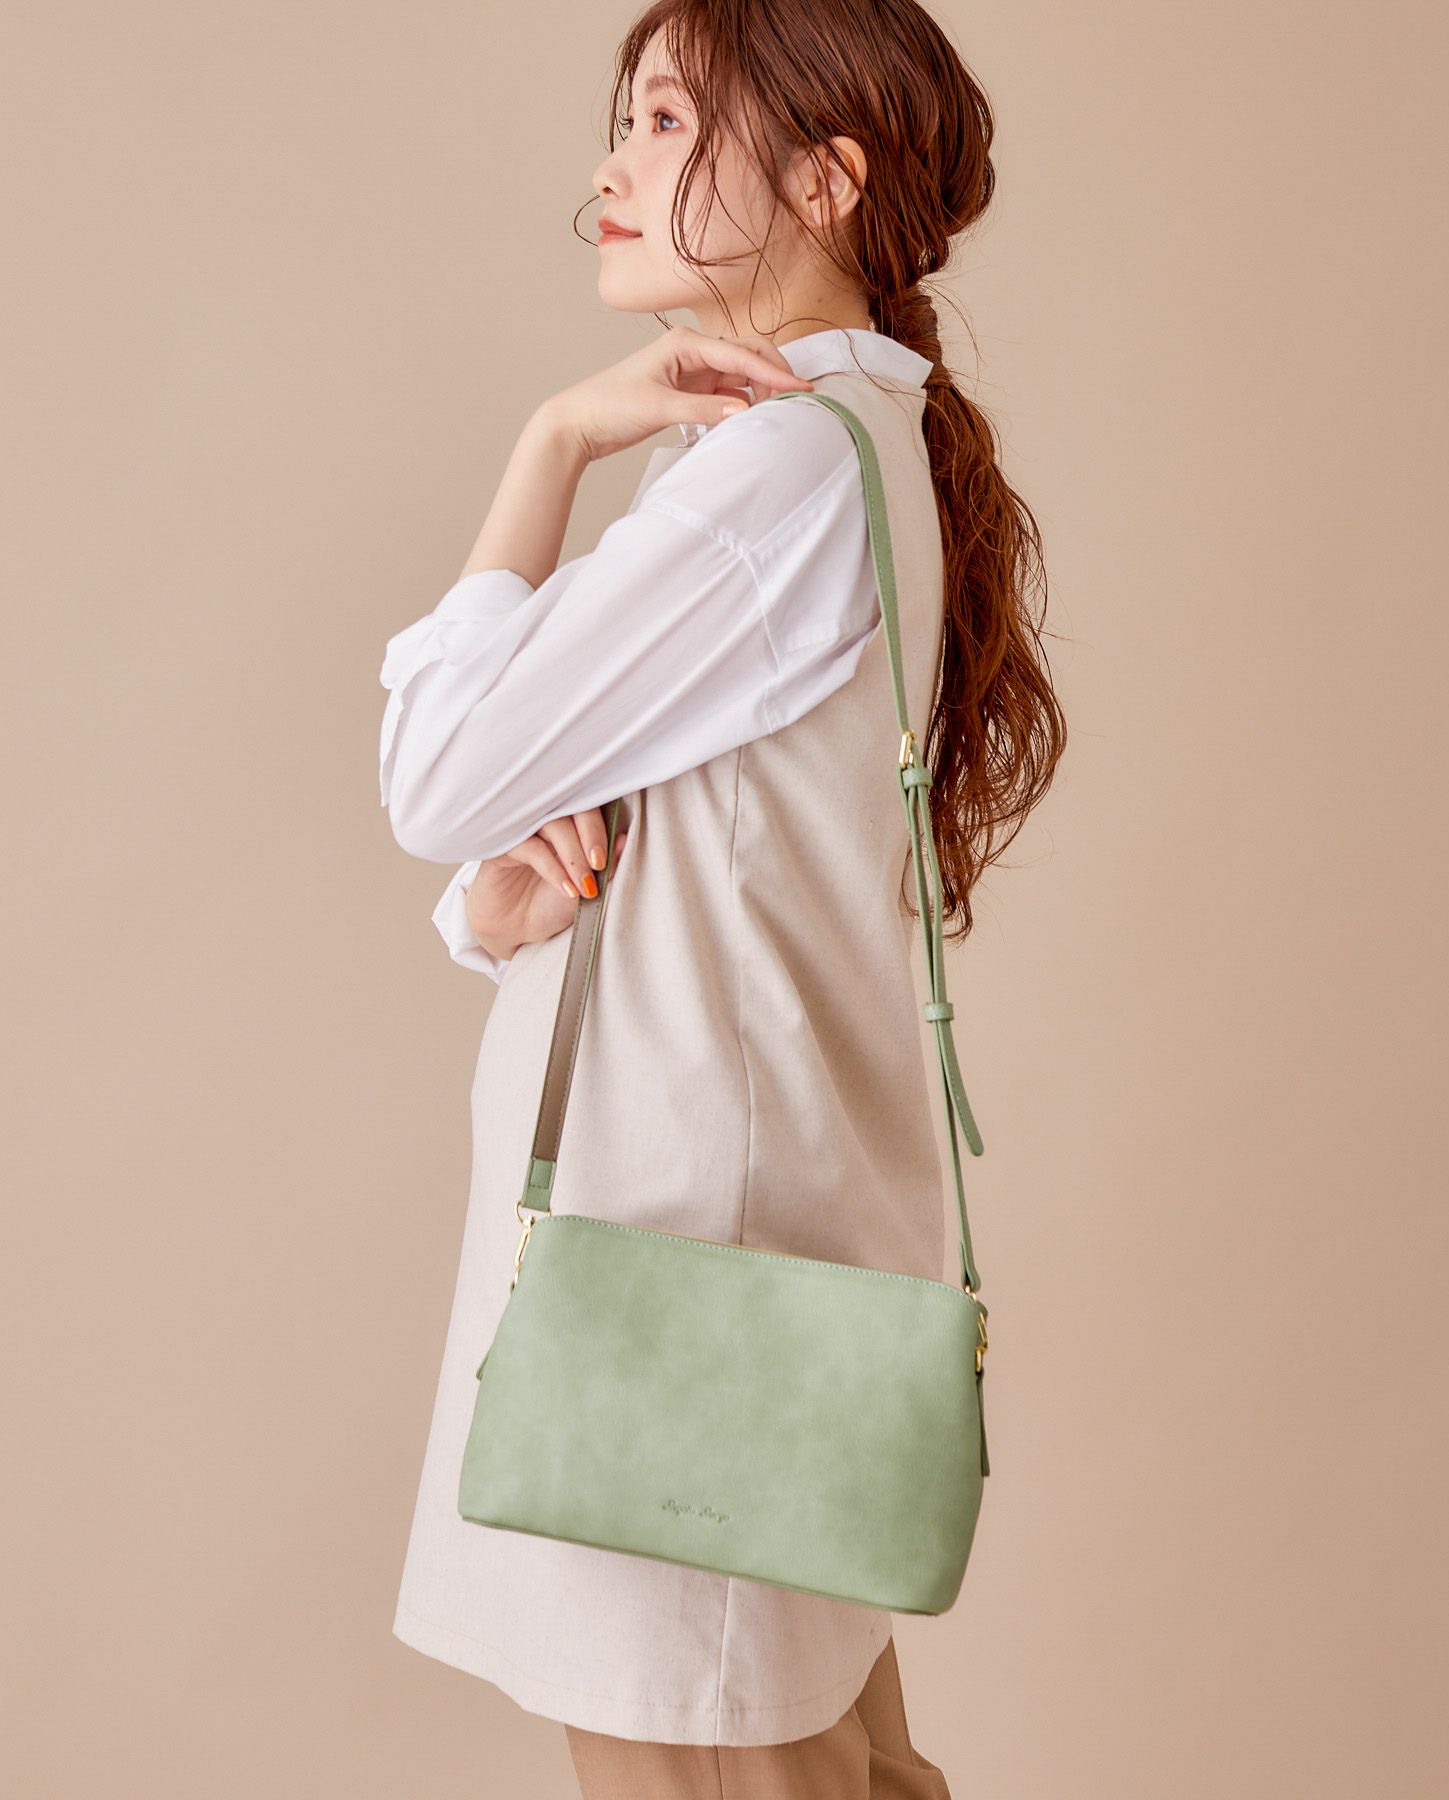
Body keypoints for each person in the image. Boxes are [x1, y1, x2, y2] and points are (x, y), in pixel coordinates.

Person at [377, 2, 1065, 1793]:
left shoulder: (775, 467)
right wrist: (497, 913)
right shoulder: (839, 443)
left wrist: (549, 444)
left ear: (827, 181)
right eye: (626, 119)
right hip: (736, 1284)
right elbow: (693, 852)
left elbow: (438, 774)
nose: (613, 164)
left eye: (669, 122)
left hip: (676, 1299)